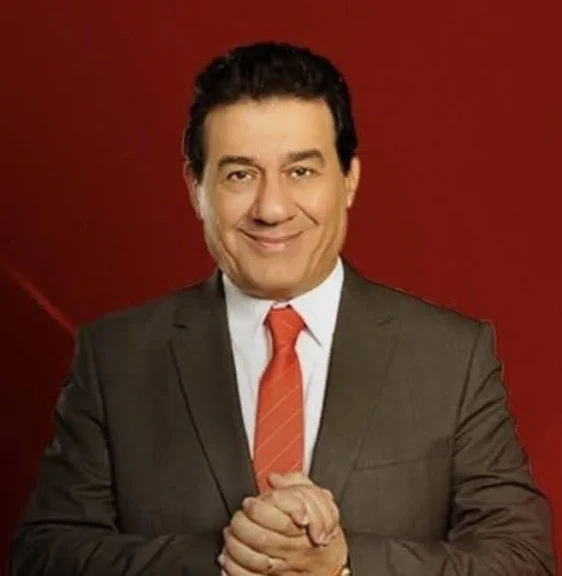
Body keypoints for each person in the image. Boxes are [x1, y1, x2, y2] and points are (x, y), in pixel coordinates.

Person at [10, 41, 555, 576]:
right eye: (240, 174)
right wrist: (230, 556)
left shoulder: (451, 358)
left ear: (349, 180)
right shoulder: (115, 358)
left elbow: (524, 560)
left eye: (301, 172)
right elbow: (43, 556)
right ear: (196, 188)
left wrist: (345, 563)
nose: (271, 208)